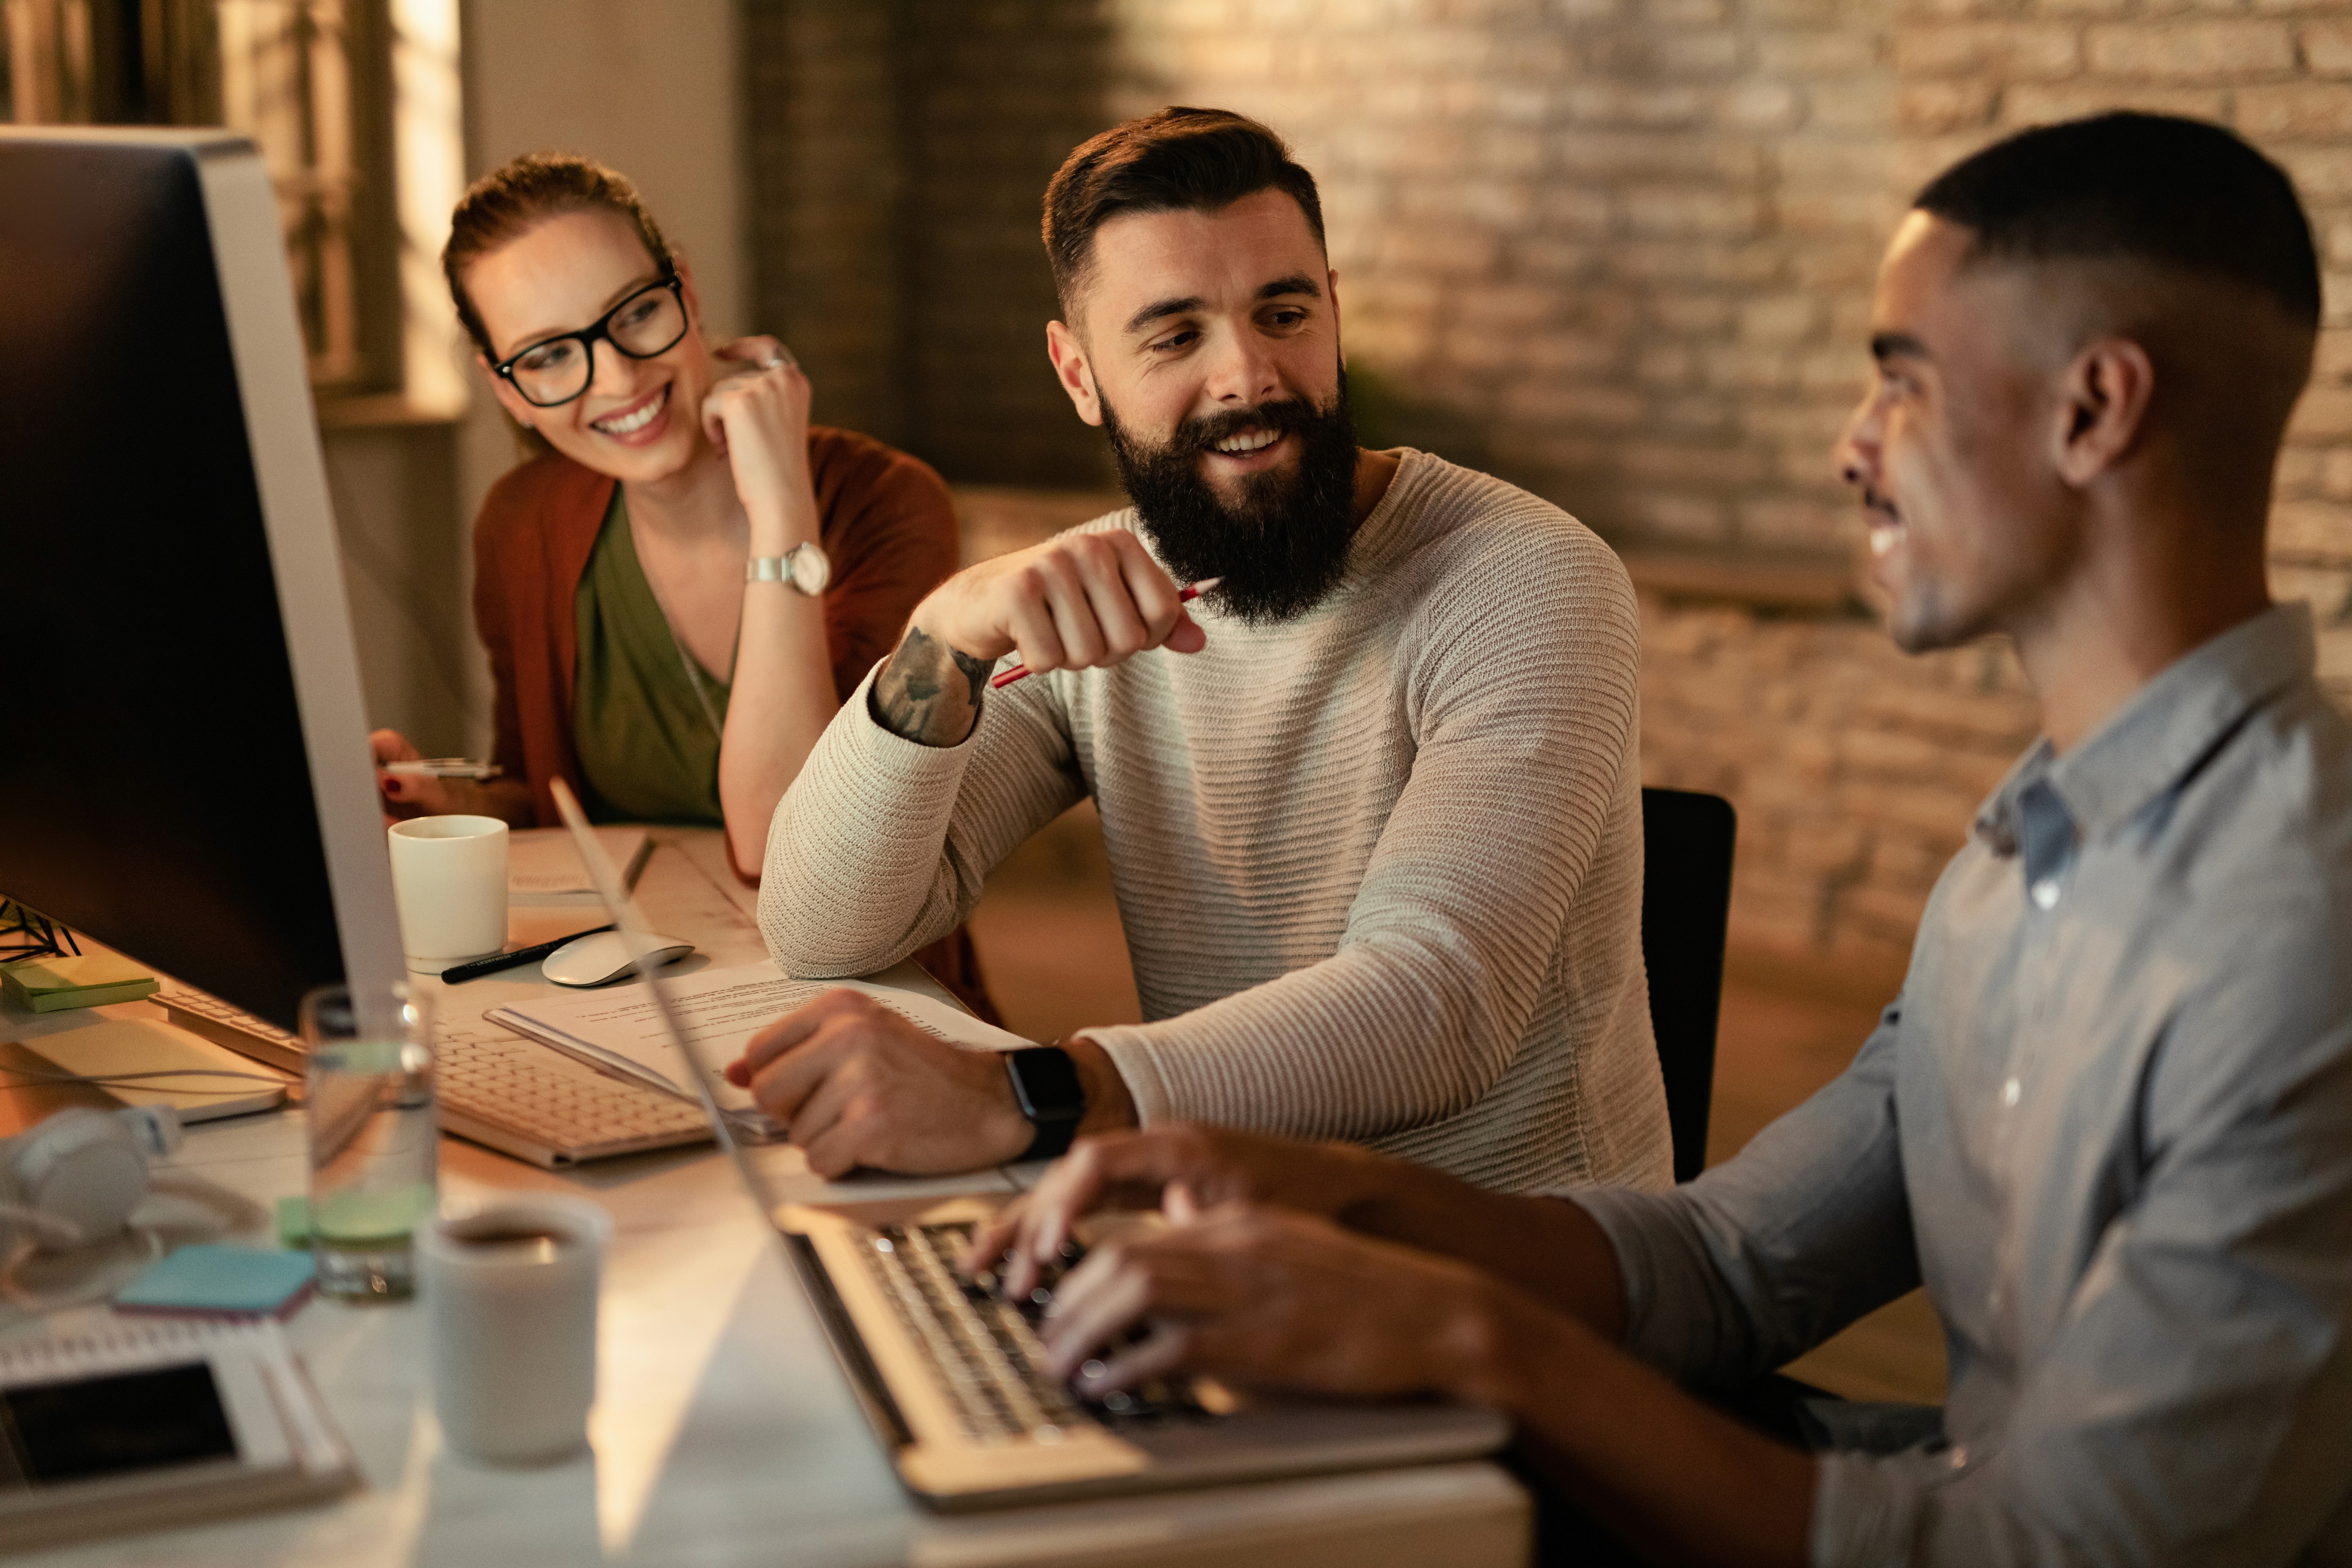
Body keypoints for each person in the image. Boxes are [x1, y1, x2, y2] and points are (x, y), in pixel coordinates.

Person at [959, 113, 2352, 1566]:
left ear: (2093, 412)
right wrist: (1319, 1196)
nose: (1851, 450)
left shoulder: (2297, 936)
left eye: (1904, 384)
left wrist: (1468, 1335)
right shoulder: (2030, 843)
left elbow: (2052, 1552)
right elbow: (1736, 1259)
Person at [728, 108, 1673, 1190]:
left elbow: (1439, 1007)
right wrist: (943, 636)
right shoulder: (1099, 595)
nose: (1249, 376)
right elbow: (821, 925)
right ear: (1079, 376)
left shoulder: (1528, 579)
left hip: (1520, 1284)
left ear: (1333, 315)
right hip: (1231, 1237)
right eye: (1175, 335)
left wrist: (1021, 1098)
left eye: (1283, 313)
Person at [371, 152, 991, 1014]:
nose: (620, 378)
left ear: (687, 294)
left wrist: (783, 521)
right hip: (640, 994)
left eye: (636, 314)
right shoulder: (523, 521)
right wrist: (450, 800)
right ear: (505, 389)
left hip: (867, 998)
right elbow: (548, 797)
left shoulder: (886, 502)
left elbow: (796, 854)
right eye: (550, 355)